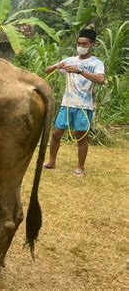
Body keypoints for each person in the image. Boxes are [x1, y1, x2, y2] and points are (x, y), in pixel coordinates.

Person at [43, 26, 105, 178]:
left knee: (81, 136)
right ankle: (51, 161)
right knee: (56, 133)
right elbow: (47, 70)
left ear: (92, 45)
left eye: (84, 44)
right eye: (79, 43)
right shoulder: (70, 60)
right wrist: (57, 66)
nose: (81, 47)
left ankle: (80, 167)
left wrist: (79, 71)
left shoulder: (96, 63)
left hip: (84, 106)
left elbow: (101, 79)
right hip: (67, 104)